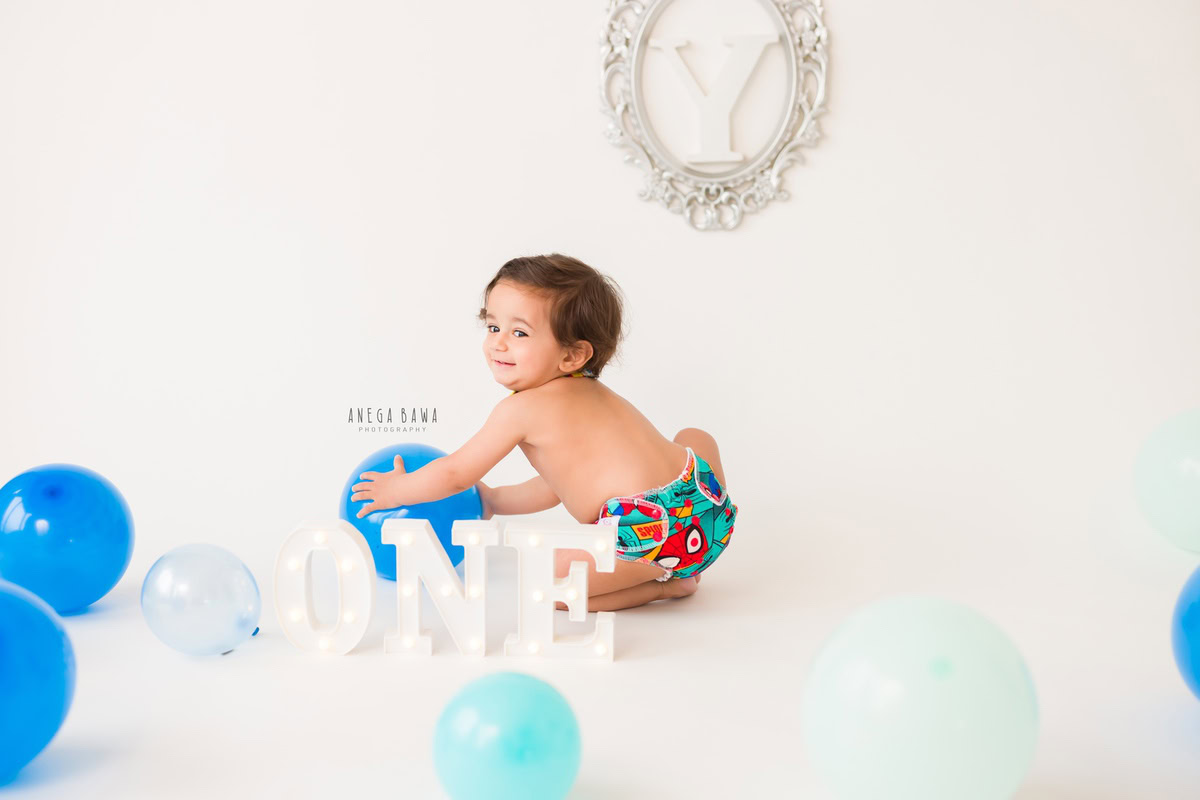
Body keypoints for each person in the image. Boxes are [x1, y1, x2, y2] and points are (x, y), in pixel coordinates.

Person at [351, 253, 737, 611]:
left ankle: (666, 584)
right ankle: (675, 560)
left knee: (548, 586)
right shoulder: (589, 392)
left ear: (572, 355)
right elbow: (557, 486)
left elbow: (455, 473)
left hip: (652, 537)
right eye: (493, 326)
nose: (498, 343)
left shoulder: (519, 410)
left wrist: (397, 491)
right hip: (708, 506)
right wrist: (494, 501)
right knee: (693, 434)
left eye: (519, 333)